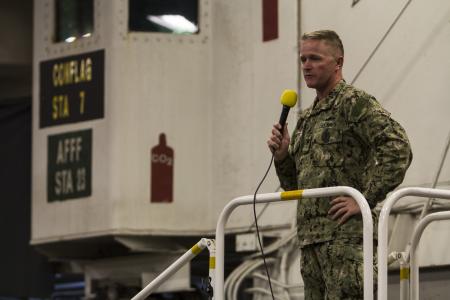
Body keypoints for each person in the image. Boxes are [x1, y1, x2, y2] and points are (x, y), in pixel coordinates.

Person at [267, 30, 412, 299]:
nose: (306, 65)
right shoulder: (307, 118)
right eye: (303, 59)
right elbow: (294, 187)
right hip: (311, 243)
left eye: (315, 58)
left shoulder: (354, 103)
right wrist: (283, 156)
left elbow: (398, 147)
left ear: (338, 63)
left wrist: (364, 199)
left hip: (347, 239)